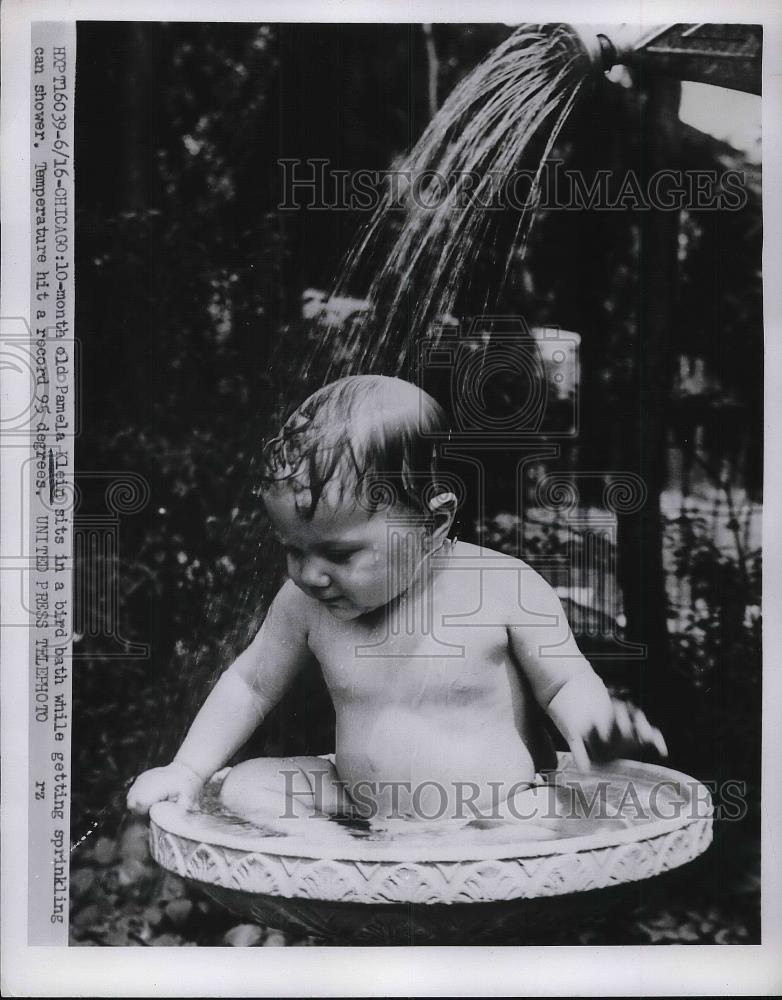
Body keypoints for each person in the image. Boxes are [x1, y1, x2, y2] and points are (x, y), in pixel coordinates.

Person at [127, 375, 666, 834]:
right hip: (363, 803)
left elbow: (565, 680)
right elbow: (251, 684)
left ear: (433, 522)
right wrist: (189, 769)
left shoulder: (501, 587)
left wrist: (595, 731)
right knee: (248, 787)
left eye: (339, 553)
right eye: (292, 549)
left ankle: (458, 849)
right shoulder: (303, 604)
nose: (310, 574)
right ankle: (340, 855)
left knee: (546, 816)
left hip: (498, 809)